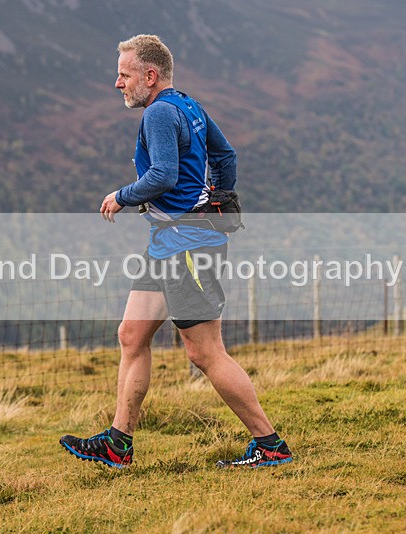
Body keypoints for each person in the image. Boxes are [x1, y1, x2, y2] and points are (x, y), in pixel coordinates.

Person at [59, 34, 292, 469]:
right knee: (131, 335)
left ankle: (270, 444)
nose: (117, 84)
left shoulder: (160, 114)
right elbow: (227, 156)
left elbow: (164, 175)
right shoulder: (188, 105)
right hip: (168, 242)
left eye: (124, 75)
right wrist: (219, 196)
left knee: (204, 352)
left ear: (150, 75)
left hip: (190, 245)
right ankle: (118, 443)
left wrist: (122, 195)